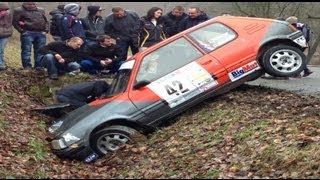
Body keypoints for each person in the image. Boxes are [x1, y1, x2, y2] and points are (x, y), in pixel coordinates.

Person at [12, 2, 49, 70]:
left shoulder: (41, 10)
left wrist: (46, 30)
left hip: (41, 33)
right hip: (27, 33)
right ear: (25, 3)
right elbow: (15, 22)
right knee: (26, 51)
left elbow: (46, 21)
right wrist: (22, 31)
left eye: (33, 4)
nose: (31, 5)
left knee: (40, 51)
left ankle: (39, 66)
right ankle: (27, 66)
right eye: (29, 4)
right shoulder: (19, 10)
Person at [0, 2, 13, 71]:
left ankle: (1, 64)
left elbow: (7, 24)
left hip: (5, 34)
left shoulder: (8, 14)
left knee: (1, 50)